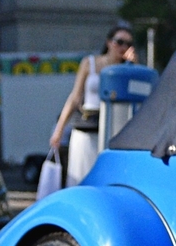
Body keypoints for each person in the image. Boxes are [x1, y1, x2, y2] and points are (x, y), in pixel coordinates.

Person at [50, 24, 138, 188]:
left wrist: (132, 66)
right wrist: (59, 130)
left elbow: (137, 95)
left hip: (112, 129)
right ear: (109, 42)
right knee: (81, 178)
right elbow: (75, 97)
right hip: (87, 126)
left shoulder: (126, 70)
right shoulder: (89, 63)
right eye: (119, 42)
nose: (123, 47)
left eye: (128, 44)